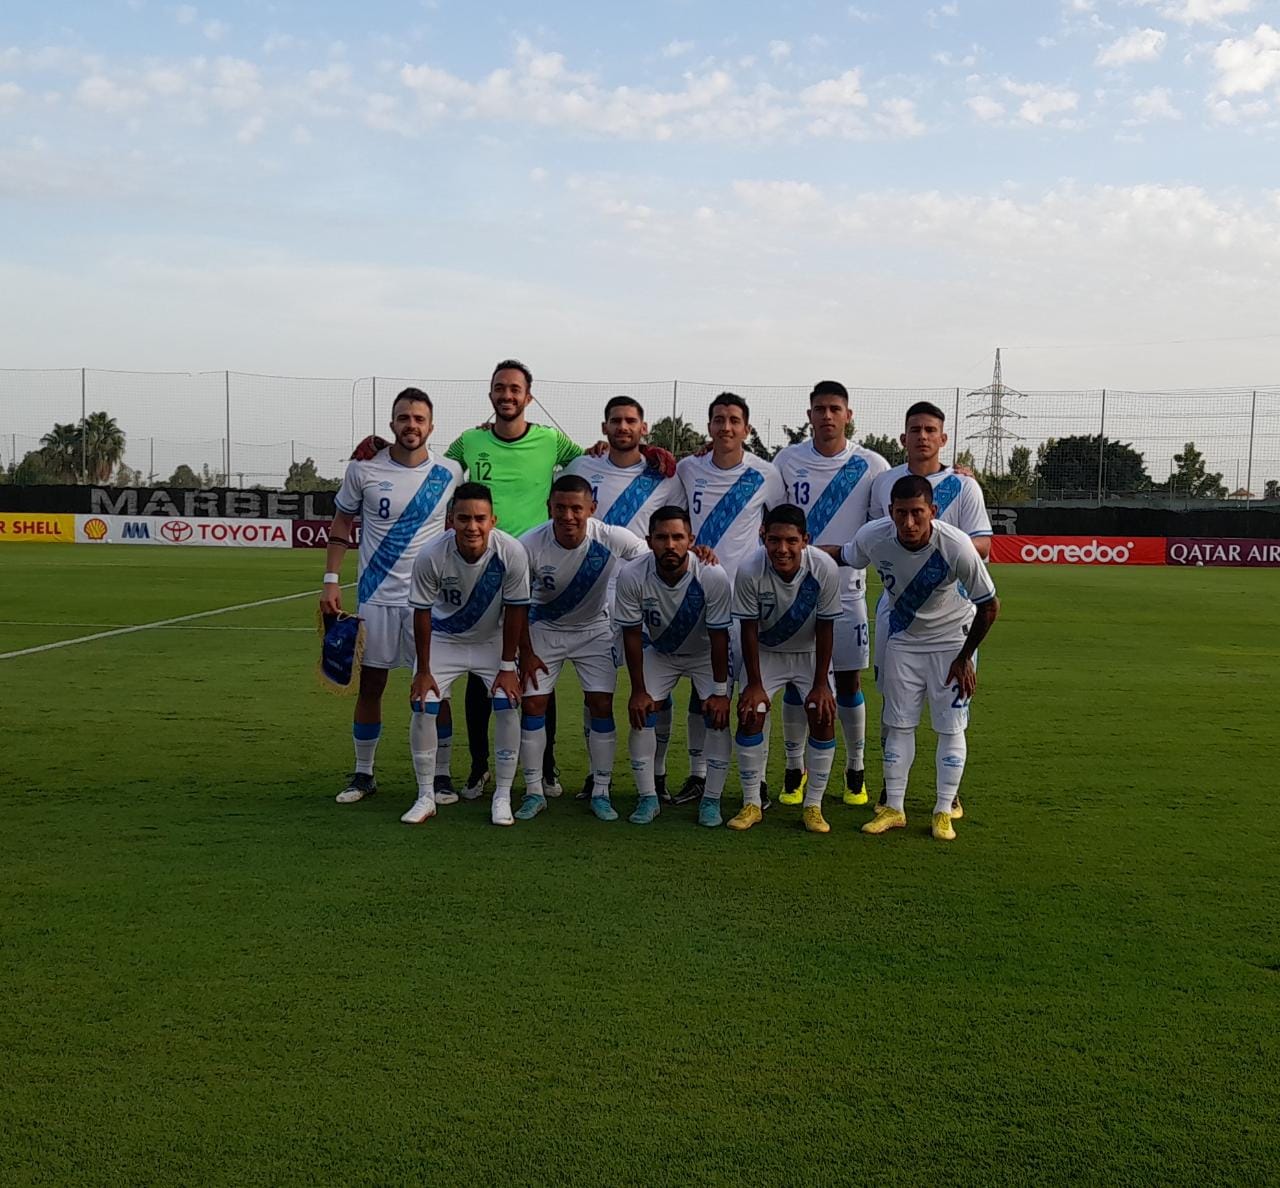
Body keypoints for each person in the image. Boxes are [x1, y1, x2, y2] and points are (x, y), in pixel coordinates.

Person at [837, 474, 999, 842]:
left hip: (950, 643)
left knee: (950, 727)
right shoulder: (873, 537)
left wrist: (965, 658)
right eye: (900, 513)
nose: (908, 523)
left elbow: (989, 605)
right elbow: (845, 556)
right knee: (898, 724)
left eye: (917, 514)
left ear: (933, 512)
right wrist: (800, 551)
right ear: (890, 512)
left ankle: (943, 811)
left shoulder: (957, 545)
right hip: (904, 642)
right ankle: (894, 808)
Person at [321, 387, 461, 805]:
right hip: (377, 596)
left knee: (437, 690)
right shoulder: (363, 470)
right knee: (372, 686)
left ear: (431, 426)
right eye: (404, 418)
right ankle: (364, 773)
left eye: (419, 419)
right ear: (392, 424)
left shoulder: (451, 472)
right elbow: (342, 522)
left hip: (430, 601)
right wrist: (331, 579)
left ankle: (441, 775)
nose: (411, 425)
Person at [867, 400, 993, 818]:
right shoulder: (884, 482)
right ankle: (892, 792)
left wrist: (936, 552)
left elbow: (983, 545)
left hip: (949, 613)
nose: (922, 437)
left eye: (930, 430)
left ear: (942, 438)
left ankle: (948, 796)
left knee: (952, 707)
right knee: (893, 703)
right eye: (914, 429)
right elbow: (876, 539)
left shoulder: (963, 486)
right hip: (897, 614)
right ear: (903, 437)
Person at [563, 395, 687, 800]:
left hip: (644, 592)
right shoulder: (583, 466)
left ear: (643, 428)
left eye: (630, 421)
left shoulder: (664, 477)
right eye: (615, 421)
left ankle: (658, 774)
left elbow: (675, 531)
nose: (622, 427)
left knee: (654, 690)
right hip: (591, 594)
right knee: (595, 692)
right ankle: (595, 776)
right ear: (604, 428)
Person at [773, 381, 889, 809]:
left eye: (834, 409)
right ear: (809, 415)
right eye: (819, 409)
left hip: (847, 589)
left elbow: (884, 526)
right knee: (793, 679)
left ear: (848, 414)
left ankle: (855, 767)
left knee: (847, 679)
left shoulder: (872, 465)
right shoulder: (787, 460)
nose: (826, 416)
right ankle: (793, 767)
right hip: (791, 590)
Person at [514, 475, 649, 822]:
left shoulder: (611, 537)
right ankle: (533, 791)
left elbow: (653, 559)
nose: (569, 516)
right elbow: (512, 603)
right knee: (534, 703)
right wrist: (525, 653)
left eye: (577, 508)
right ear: (550, 508)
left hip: (594, 631)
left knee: (601, 704)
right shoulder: (528, 544)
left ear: (592, 509)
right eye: (561, 508)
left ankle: (601, 791)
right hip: (544, 628)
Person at [674, 393, 785, 806]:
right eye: (718, 419)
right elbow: (674, 524)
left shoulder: (766, 474)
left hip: (749, 599)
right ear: (709, 426)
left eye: (734, 420)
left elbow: (781, 527)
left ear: (747, 428)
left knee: (753, 691)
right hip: (698, 596)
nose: (726, 427)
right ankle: (699, 774)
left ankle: (756, 783)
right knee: (703, 689)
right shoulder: (688, 469)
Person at [401, 483, 531, 827]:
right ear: (450, 521)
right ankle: (425, 795)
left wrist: (507, 666)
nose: (471, 526)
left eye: (479, 518)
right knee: (424, 703)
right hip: (446, 639)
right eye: (463, 518)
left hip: (492, 640)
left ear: (493, 520)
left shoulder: (512, 552)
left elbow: (517, 610)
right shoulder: (431, 554)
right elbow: (422, 614)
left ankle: (502, 795)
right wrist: (424, 670)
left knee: (506, 700)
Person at [614, 506, 734, 827]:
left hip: (705, 654)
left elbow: (721, 636)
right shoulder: (631, 575)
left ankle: (711, 800)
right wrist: (637, 690)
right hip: (662, 653)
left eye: (678, 537)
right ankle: (648, 798)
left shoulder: (711, 575)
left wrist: (720, 693)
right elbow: (631, 634)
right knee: (642, 712)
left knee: (717, 716)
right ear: (649, 540)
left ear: (690, 540)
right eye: (662, 537)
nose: (670, 545)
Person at [729, 505, 843, 833]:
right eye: (774, 540)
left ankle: (814, 806)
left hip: (810, 653)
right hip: (766, 652)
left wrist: (821, 683)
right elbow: (748, 627)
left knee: (822, 714)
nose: (782, 549)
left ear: (805, 540)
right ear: (763, 537)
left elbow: (826, 627)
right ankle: (752, 802)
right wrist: (753, 683)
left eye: (791, 541)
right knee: (752, 712)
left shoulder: (823, 568)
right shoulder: (750, 569)